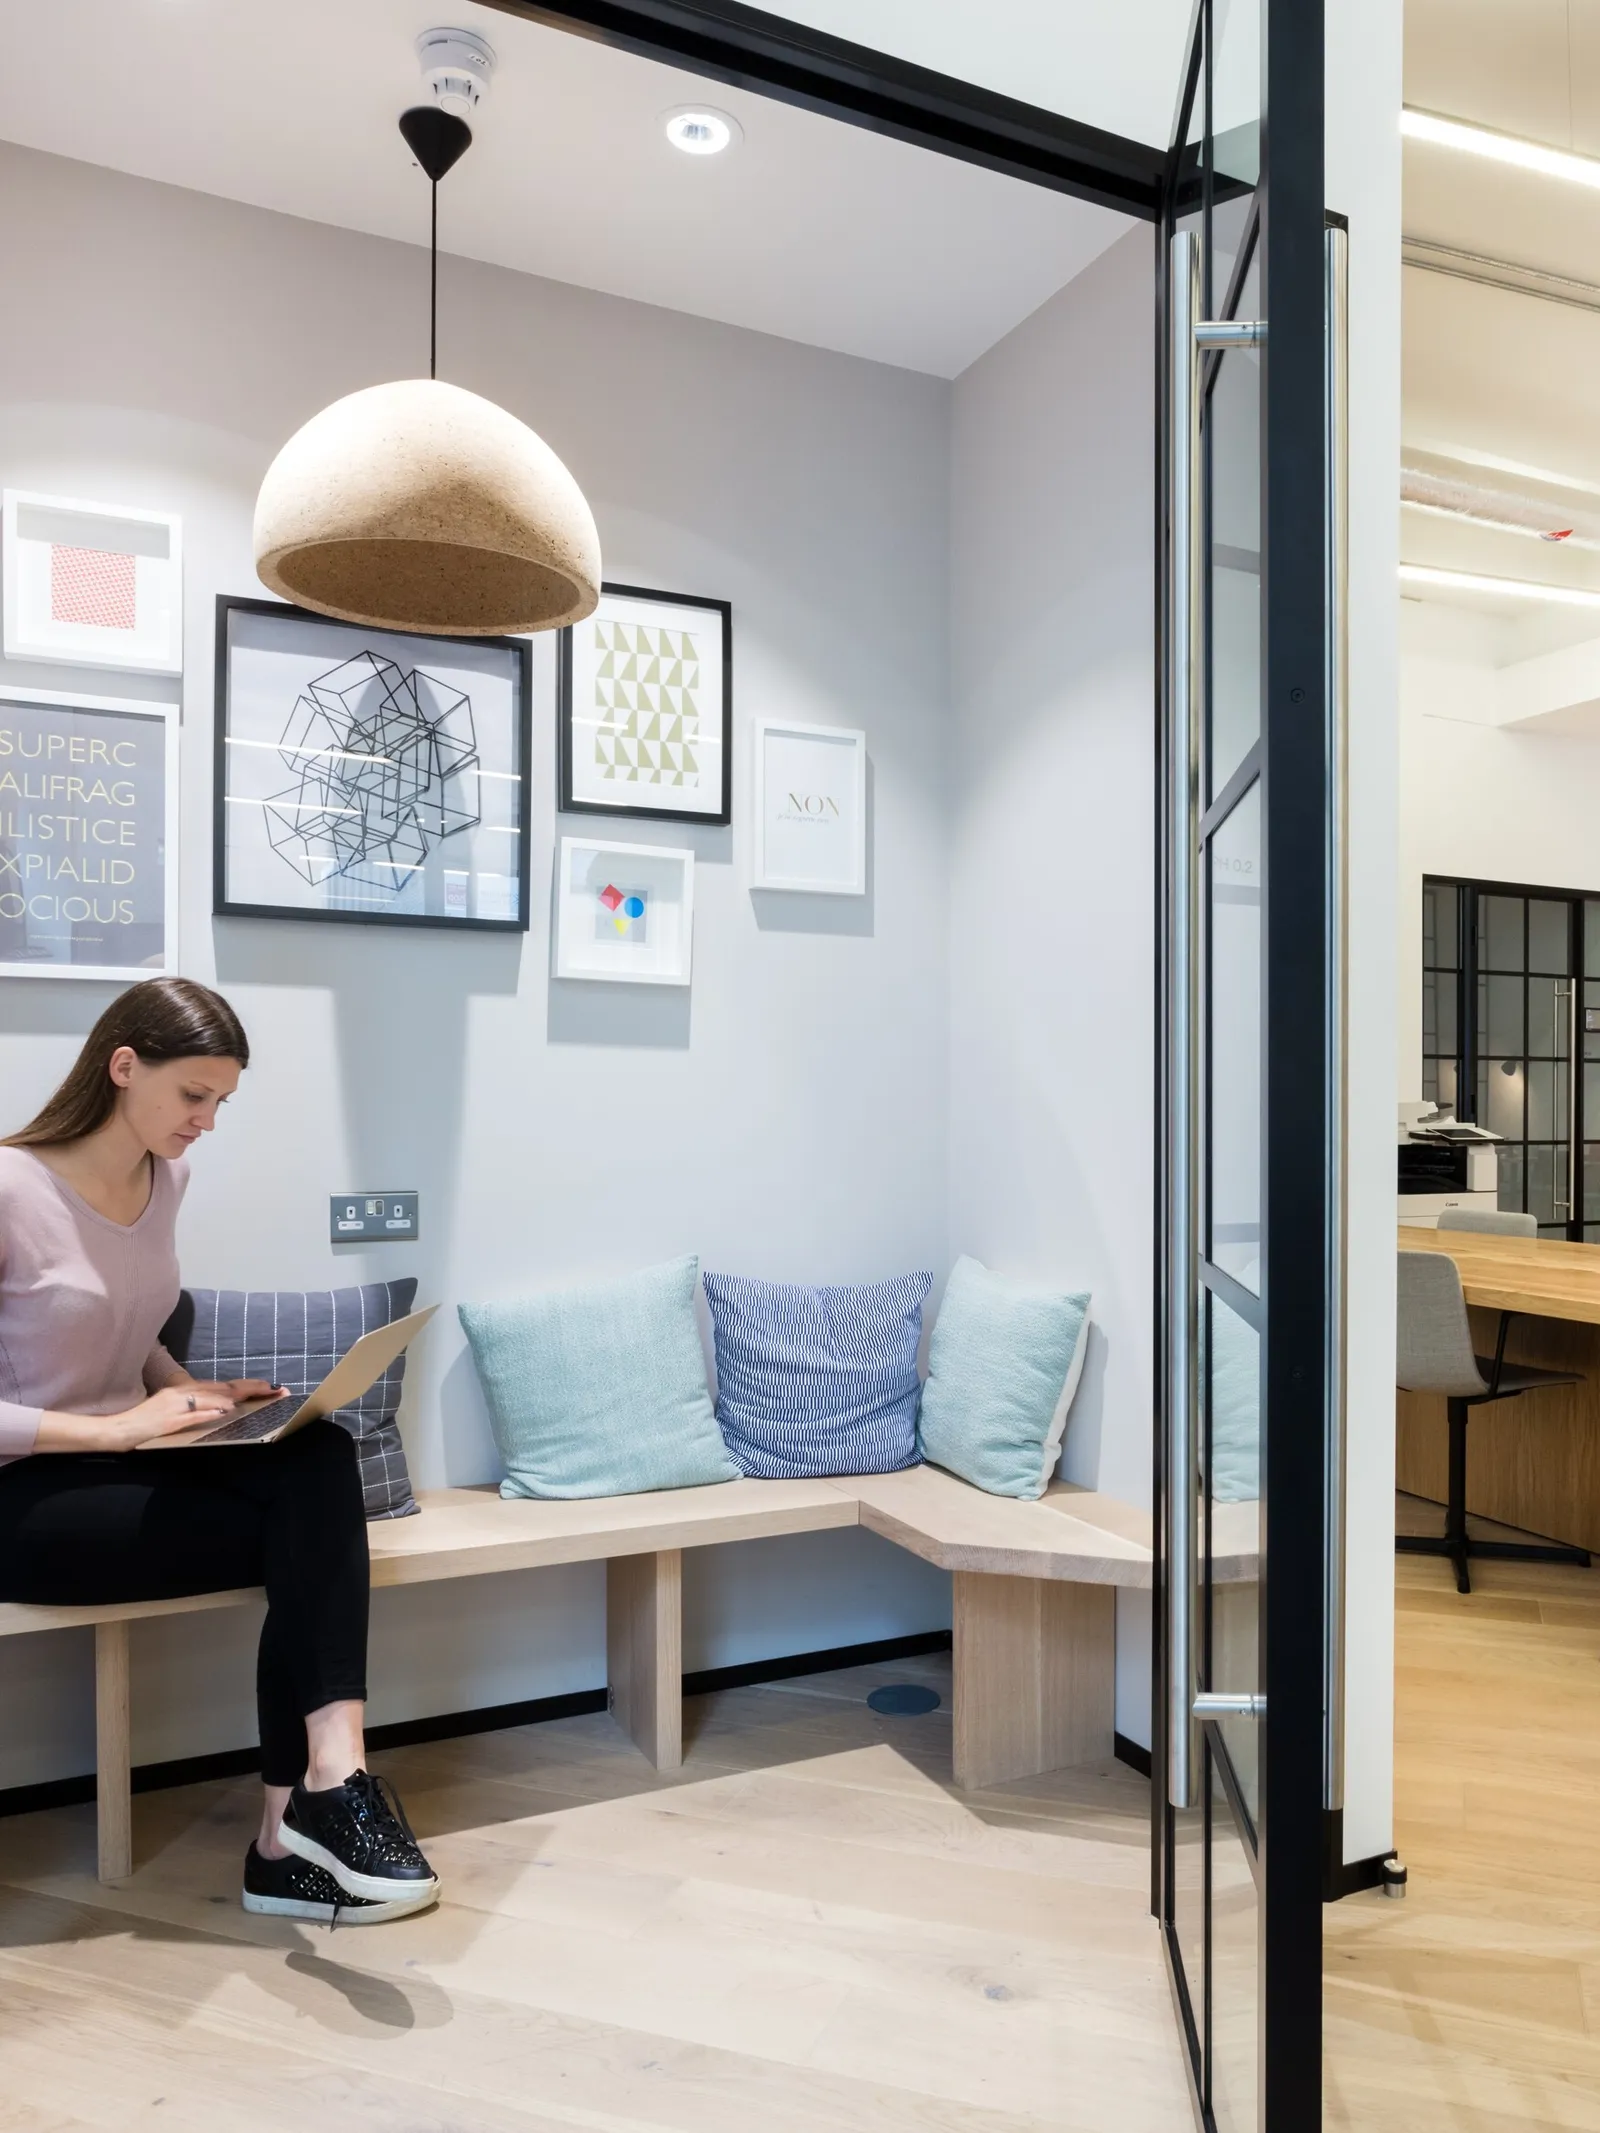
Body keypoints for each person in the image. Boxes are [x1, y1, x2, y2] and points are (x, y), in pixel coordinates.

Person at [0, 977, 438, 1923]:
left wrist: (187, 1391)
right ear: (124, 1067)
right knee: (312, 1546)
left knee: (317, 1455)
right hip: (28, 1497)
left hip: (129, 1466)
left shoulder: (167, 1177)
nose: (207, 1121)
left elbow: (128, 1322)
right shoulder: (8, 1187)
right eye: (194, 1095)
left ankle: (329, 1780)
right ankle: (289, 1838)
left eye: (221, 1102)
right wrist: (114, 1427)